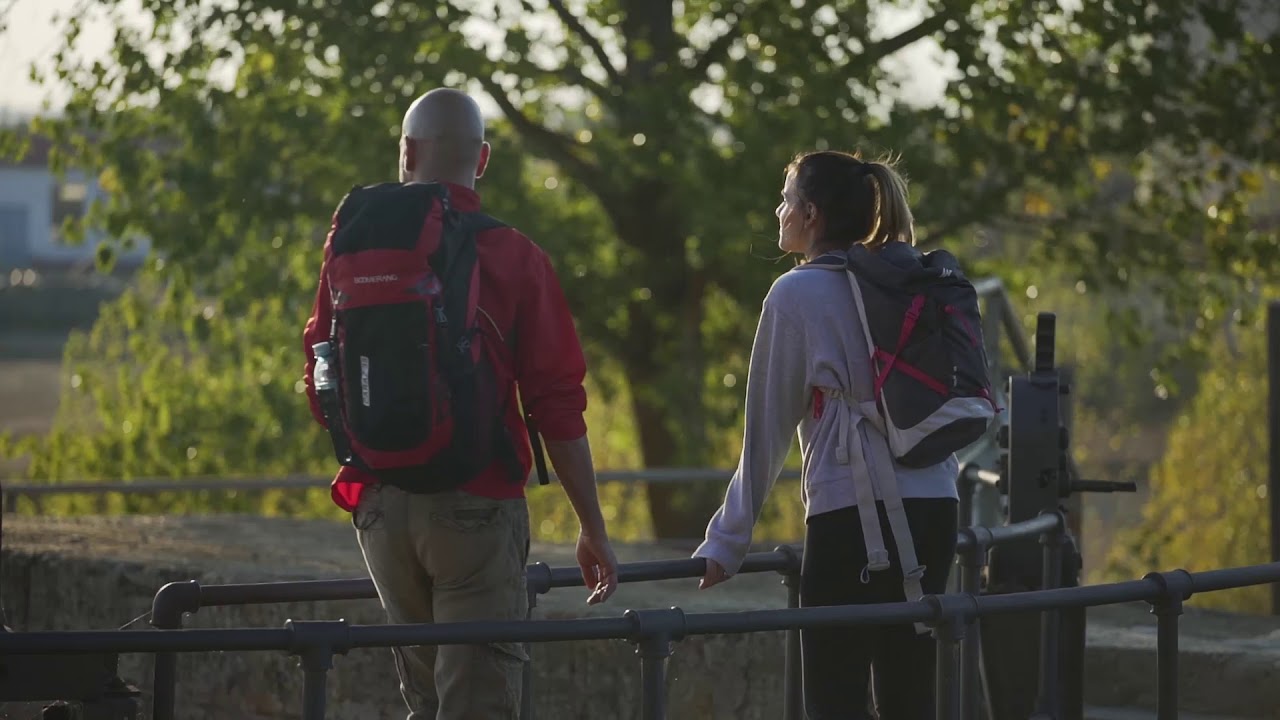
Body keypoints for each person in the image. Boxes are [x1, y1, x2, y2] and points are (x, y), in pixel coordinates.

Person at [302, 87, 619, 720]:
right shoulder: (514, 256)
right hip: (476, 504)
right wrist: (593, 526)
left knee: (425, 704)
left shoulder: (352, 246)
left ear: (406, 152)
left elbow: (320, 374)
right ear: (483, 160)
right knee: (478, 704)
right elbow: (556, 404)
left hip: (381, 508)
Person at [692, 150, 960, 719]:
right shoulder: (909, 279)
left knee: (834, 697)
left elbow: (765, 431)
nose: (778, 208)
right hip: (937, 505)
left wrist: (727, 541)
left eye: (787, 198)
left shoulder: (796, 295)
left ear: (811, 214)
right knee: (911, 695)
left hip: (854, 518)